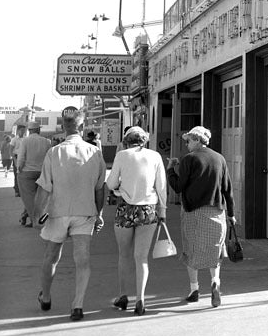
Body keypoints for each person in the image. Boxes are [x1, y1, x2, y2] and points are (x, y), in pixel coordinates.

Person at [33, 112, 107, 322]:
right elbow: (100, 189)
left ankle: (46, 297)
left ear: (63, 128)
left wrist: (37, 214)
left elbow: (44, 188)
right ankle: (78, 305)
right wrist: (99, 214)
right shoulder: (95, 152)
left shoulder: (54, 152)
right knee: (82, 259)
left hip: (58, 212)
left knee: (51, 256)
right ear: (82, 127)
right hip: (85, 211)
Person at [166, 126, 235, 308]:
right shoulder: (219, 158)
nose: (186, 144)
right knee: (215, 251)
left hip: (193, 212)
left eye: (188, 140)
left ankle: (194, 289)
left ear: (197, 140)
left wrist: (171, 170)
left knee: (191, 251)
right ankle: (215, 282)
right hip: (217, 211)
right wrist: (231, 214)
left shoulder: (189, 159)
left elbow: (178, 186)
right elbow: (227, 188)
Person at [106, 126, 167, 316]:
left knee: (124, 255)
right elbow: (161, 185)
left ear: (126, 141)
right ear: (144, 141)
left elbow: (111, 183)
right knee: (141, 257)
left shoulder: (122, 155)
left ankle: (123, 295)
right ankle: (140, 299)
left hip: (125, 207)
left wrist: (119, 188)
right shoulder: (155, 156)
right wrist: (163, 210)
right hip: (148, 208)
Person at [16, 123, 52, 227]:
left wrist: (19, 168)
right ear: (38, 130)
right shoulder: (47, 141)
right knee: (39, 197)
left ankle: (35, 220)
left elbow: (21, 157)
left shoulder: (25, 141)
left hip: (27, 172)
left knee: (29, 198)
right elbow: (50, 157)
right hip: (42, 172)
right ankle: (25, 215)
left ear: (30, 130)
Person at [10, 125, 27, 198]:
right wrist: (14, 159)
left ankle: (22, 191)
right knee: (17, 175)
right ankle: (17, 191)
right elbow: (11, 151)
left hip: (24, 158)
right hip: (16, 157)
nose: (23, 132)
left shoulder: (26, 139)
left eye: (24, 130)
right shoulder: (14, 140)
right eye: (21, 130)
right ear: (18, 130)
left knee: (24, 175)